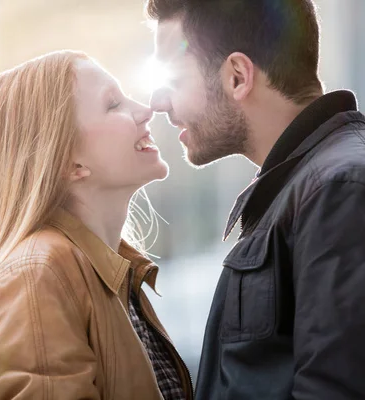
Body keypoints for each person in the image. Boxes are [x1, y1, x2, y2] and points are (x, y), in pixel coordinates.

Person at [0, 50, 194, 400]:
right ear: (70, 162)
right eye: (113, 104)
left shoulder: (102, 274)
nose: (145, 111)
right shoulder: (36, 276)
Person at [146, 0, 365, 399]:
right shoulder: (302, 188)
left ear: (237, 76)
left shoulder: (339, 188)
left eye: (175, 81)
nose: (160, 103)